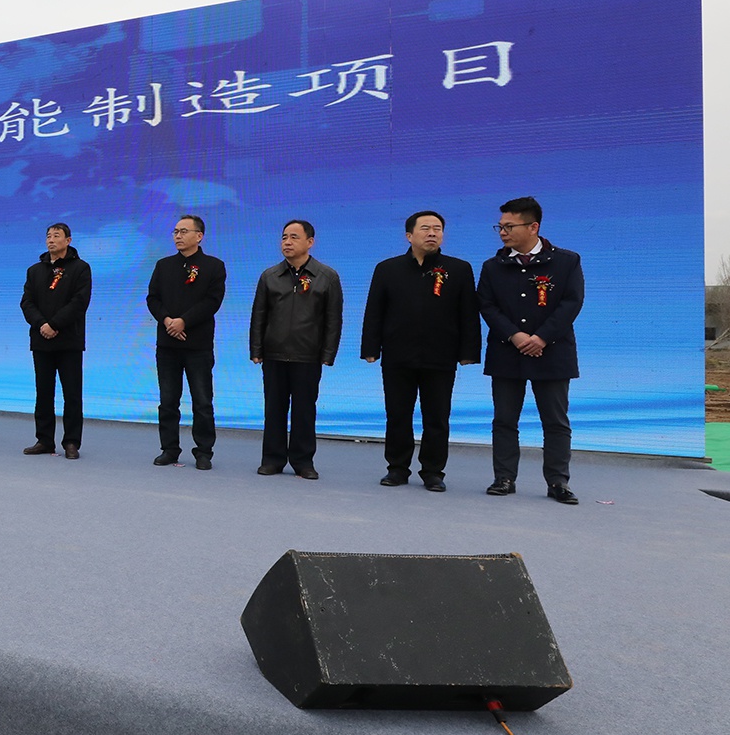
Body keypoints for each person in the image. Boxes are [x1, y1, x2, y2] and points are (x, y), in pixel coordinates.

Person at [361, 211, 481, 492]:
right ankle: (397, 468)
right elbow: (374, 311)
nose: (432, 233)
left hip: (441, 355)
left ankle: (433, 471)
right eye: (425, 228)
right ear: (409, 235)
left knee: (437, 417)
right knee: (397, 415)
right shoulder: (387, 268)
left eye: (437, 229)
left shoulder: (459, 269)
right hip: (398, 354)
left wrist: (469, 351)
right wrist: (370, 348)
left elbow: (468, 313)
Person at [478, 196, 585, 504]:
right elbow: (487, 305)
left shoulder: (566, 261)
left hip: (553, 353)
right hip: (506, 352)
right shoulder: (493, 266)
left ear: (533, 227)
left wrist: (541, 338)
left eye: (509, 227)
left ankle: (558, 481)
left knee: (555, 421)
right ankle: (504, 477)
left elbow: (572, 302)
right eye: (500, 227)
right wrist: (514, 335)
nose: (502, 232)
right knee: (504, 419)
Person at [249, 220, 343, 479]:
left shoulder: (327, 276)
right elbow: (259, 315)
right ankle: (272, 459)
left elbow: (333, 319)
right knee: (274, 409)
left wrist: (328, 353)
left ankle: (303, 462)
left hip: (308, 355)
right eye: (284, 237)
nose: (287, 242)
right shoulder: (270, 276)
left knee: (304, 410)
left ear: (310, 242)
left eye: (294, 237)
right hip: (274, 354)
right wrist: (256, 349)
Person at [145, 214, 228, 470]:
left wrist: (184, 322)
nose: (178, 236)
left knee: (202, 401)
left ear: (199, 236)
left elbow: (212, 301)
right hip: (167, 345)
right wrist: (168, 320)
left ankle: (203, 452)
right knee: (168, 401)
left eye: (184, 231)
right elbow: (153, 298)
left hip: (198, 345)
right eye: (175, 231)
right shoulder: (163, 265)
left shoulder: (214, 266)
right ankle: (169, 449)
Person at [20, 222, 92, 460]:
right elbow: (27, 302)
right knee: (43, 393)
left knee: (72, 394)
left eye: (56, 236)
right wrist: (42, 324)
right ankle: (44, 440)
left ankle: (71, 442)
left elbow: (79, 302)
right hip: (41, 340)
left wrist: (55, 325)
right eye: (48, 236)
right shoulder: (35, 270)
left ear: (68, 240)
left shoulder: (81, 268)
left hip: (69, 340)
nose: (51, 240)